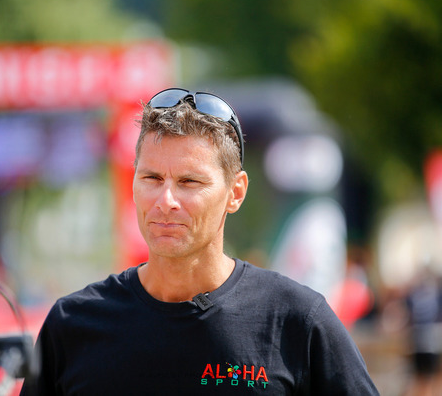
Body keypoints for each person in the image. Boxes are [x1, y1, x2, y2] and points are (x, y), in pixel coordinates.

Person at [20, 88, 378, 395]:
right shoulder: (73, 324)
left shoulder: (297, 320)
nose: (166, 200)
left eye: (189, 182)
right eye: (151, 178)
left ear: (236, 192)